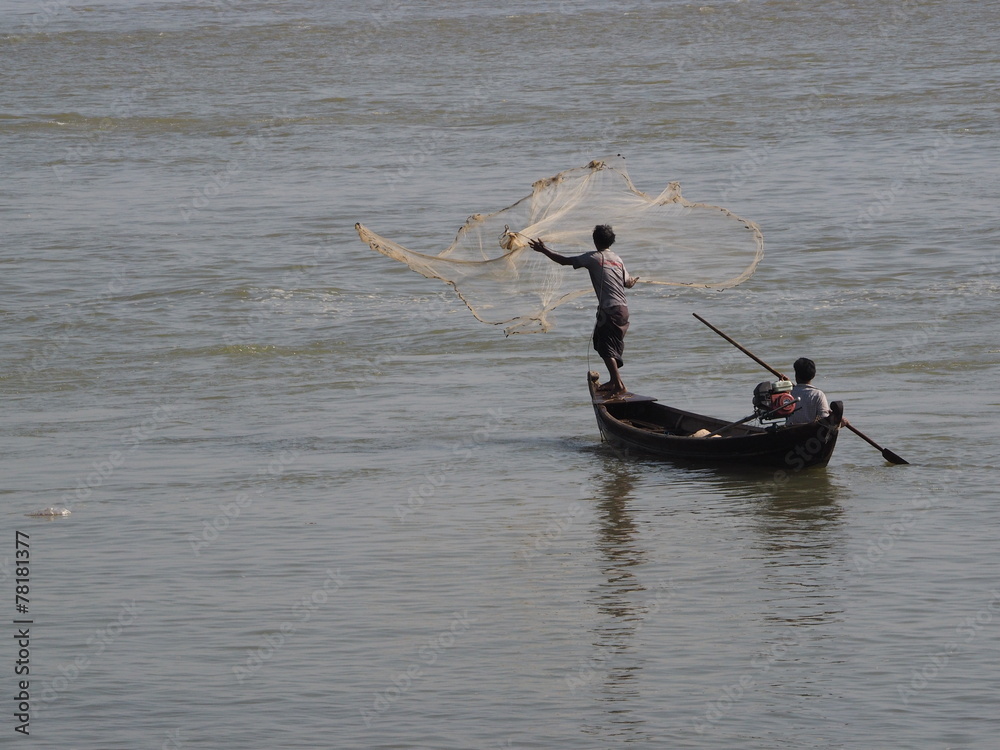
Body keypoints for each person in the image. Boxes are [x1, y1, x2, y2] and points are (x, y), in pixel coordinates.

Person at [530, 225, 638, 395]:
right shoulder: (617, 259)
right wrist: (634, 281)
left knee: (605, 347)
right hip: (622, 310)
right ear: (611, 241)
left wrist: (544, 250)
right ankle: (614, 380)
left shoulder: (593, 257)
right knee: (603, 343)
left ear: (595, 241)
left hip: (610, 310)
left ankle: (619, 385)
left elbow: (564, 261)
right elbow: (628, 283)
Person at [785, 357, 831, 425]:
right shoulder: (818, 395)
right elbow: (824, 419)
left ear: (796, 375)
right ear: (813, 375)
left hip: (790, 431)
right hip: (811, 432)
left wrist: (784, 385)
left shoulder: (788, 394)